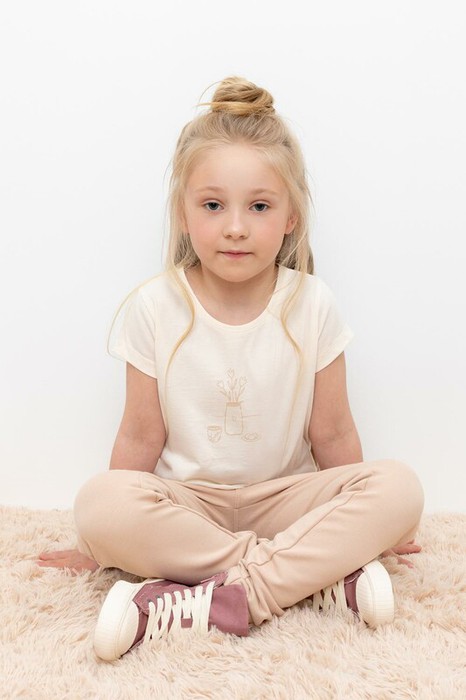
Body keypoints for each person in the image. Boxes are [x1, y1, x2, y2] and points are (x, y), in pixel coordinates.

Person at [38, 76, 424, 662]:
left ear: (291, 216)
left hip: (286, 501)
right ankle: (312, 580)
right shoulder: (155, 306)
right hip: (189, 507)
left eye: (259, 206)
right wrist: (99, 545)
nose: (236, 227)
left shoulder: (312, 302)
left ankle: (204, 596)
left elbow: (333, 433)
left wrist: (372, 523)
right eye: (213, 205)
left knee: (399, 489)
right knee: (99, 502)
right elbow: (140, 436)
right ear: (184, 213)